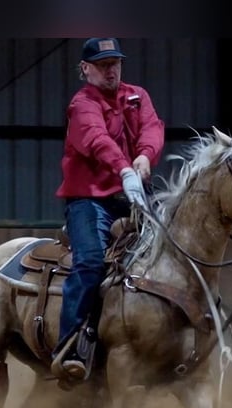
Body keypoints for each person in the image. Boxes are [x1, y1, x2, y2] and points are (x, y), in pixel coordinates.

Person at [51, 37, 165, 382]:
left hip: (132, 196)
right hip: (90, 199)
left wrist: (145, 155)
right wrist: (125, 169)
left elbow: (152, 127)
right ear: (86, 69)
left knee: (172, 252)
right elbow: (96, 139)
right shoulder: (82, 104)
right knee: (89, 262)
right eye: (102, 64)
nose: (110, 69)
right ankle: (68, 346)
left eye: (114, 62)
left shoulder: (137, 95)